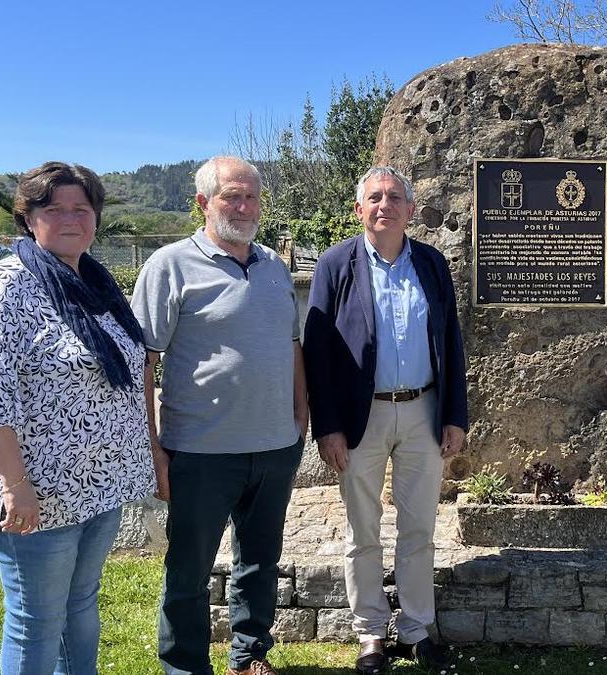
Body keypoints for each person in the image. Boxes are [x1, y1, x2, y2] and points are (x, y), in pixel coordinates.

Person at [0, 161, 155, 674]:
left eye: (81, 208)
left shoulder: (94, 280)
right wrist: (14, 483)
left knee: (81, 605)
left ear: (95, 218)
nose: (70, 218)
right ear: (28, 217)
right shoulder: (5, 286)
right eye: (54, 208)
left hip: (98, 487)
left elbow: (132, 369)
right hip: (34, 494)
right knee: (36, 620)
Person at [131, 156, 308, 675]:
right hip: (201, 451)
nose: (245, 206)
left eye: (252, 196)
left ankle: (250, 655)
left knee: (259, 562)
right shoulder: (169, 265)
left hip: (275, 447)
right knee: (188, 571)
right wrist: (154, 446)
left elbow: (291, 344)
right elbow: (143, 359)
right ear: (204, 202)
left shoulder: (275, 266)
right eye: (233, 196)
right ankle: (185, 666)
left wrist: (300, 415)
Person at [303, 166, 467, 674]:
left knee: (419, 527)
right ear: (358, 210)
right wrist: (327, 426)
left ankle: (417, 628)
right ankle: (371, 632)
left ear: (410, 210)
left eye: (394, 197)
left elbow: (452, 343)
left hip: (422, 410)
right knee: (363, 529)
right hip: (360, 416)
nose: (384, 205)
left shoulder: (433, 265)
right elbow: (318, 352)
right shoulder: (336, 265)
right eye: (374, 198)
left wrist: (454, 416)